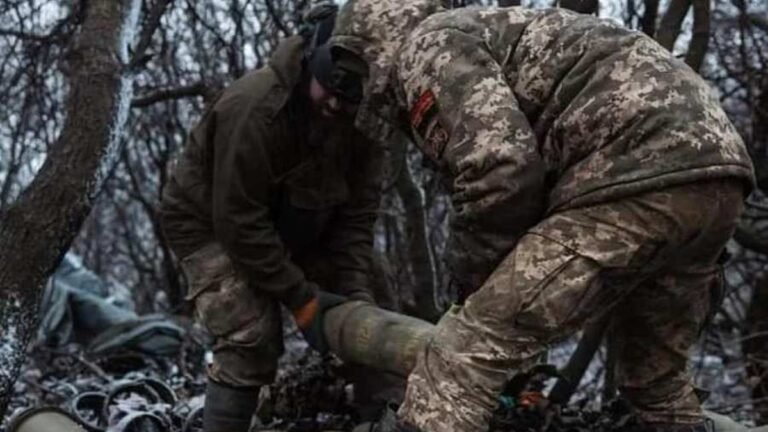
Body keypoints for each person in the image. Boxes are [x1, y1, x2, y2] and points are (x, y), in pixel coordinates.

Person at [326, 1, 756, 431]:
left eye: (353, 66)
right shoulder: (491, 30)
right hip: (718, 177)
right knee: (655, 381)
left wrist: (475, 284)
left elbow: (499, 169)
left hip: (635, 170)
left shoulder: (427, 42)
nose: (352, 84)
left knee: (461, 354)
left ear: (372, 41)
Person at [159, 4, 383, 431]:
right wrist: (301, 300)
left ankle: (384, 417)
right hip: (210, 225)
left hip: (298, 225)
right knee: (252, 333)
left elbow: (356, 223)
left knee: (375, 306)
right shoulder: (256, 108)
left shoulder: (367, 127)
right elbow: (238, 221)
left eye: (350, 95)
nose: (335, 103)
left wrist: (357, 298)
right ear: (309, 63)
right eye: (328, 87)